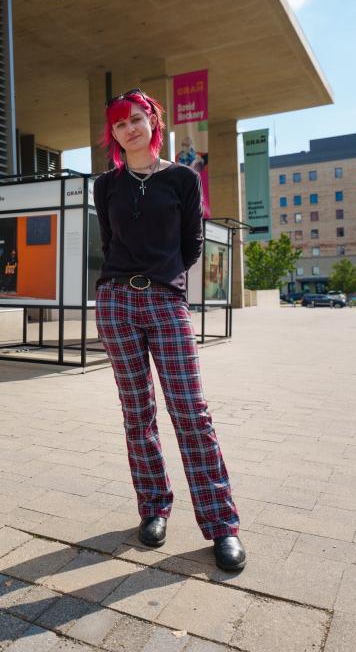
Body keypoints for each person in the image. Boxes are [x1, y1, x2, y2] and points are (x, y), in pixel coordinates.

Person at [92, 88, 245, 571]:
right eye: (120, 124)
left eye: (136, 119)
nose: (129, 128)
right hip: (116, 302)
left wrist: (163, 279)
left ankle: (221, 525)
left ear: (153, 122)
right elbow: (109, 241)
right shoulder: (106, 185)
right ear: (113, 134)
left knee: (191, 413)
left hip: (164, 302)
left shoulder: (182, 178)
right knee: (136, 413)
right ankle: (153, 507)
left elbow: (191, 245)